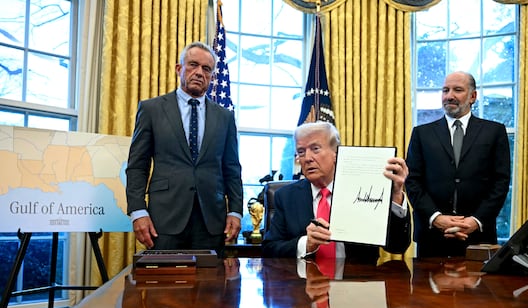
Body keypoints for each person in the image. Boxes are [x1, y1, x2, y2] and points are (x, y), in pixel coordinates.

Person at [126, 41, 243, 256]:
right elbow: (137, 166)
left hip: (211, 222)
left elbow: (232, 169)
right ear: (179, 69)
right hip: (164, 220)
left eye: (206, 69)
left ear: (212, 76)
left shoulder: (225, 117)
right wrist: (138, 211)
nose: (199, 72)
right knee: (164, 288)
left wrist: (235, 211)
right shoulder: (152, 109)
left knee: (211, 288)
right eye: (193, 65)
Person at [262, 121, 411, 264]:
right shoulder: (286, 196)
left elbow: (397, 246)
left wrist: (396, 195)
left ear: (336, 153)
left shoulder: (364, 189)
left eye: (315, 149)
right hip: (306, 284)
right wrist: (305, 244)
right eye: (301, 151)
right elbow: (269, 249)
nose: (307, 158)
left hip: (358, 283)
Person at [405, 71, 510, 258]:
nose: (449, 96)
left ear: (473, 96)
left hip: (479, 237)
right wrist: (436, 218)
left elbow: (500, 183)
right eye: (445, 90)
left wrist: (475, 221)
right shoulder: (422, 134)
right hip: (432, 238)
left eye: (458, 90)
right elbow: (412, 181)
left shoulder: (494, 132)